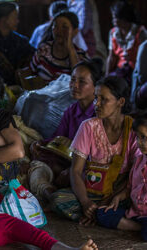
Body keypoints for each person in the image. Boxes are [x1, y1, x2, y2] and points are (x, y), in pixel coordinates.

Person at [51, 76, 139, 226]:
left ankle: (99, 215)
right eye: (96, 98)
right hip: (92, 190)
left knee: (135, 203)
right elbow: (76, 171)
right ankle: (97, 214)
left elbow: (135, 174)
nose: (96, 104)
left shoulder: (133, 129)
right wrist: (85, 202)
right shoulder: (88, 127)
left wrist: (113, 198)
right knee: (58, 199)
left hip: (121, 193)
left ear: (121, 102)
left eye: (103, 99)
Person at [29, 58, 102, 202]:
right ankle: (48, 191)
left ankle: (54, 195)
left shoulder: (99, 115)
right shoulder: (72, 111)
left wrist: (73, 171)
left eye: (82, 82)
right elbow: (59, 137)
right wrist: (41, 144)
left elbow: (99, 156)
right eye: (73, 80)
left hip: (88, 169)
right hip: (67, 162)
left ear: (95, 87)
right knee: (37, 166)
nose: (74, 85)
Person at [95, 113, 147, 241]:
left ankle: (141, 228)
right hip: (135, 213)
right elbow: (129, 188)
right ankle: (139, 227)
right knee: (103, 213)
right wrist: (118, 197)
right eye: (138, 137)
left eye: (145, 137)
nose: (141, 142)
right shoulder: (138, 161)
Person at [31, 11, 88, 83]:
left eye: (64, 27)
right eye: (56, 26)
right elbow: (30, 73)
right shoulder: (44, 50)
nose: (59, 31)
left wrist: (70, 48)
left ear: (75, 31)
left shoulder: (81, 56)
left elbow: (79, 80)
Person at [106, 1, 147, 83]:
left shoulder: (140, 32)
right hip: (121, 70)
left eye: (115, 18)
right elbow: (111, 57)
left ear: (124, 19)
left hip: (136, 71)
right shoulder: (113, 33)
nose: (113, 20)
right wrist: (106, 76)